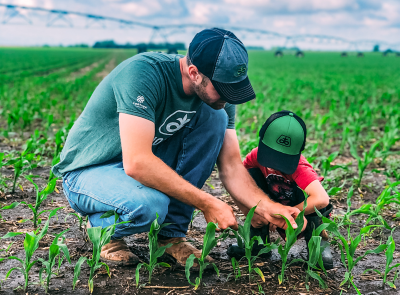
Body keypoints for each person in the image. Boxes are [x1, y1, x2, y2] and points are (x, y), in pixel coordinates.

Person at [52, 28, 306, 268]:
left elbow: (230, 165)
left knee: (214, 117)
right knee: (151, 207)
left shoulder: (217, 94)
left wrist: (267, 206)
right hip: (89, 170)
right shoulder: (144, 74)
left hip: (134, 168)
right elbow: (137, 161)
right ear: (194, 72)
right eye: (224, 90)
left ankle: (171, 236)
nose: (230, 97)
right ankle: (102, 229)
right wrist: (208, 203)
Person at [227, 110, 333, 270]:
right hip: (272, 201)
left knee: (316, 206)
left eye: (283, 159)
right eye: (270, 156)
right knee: (247, 175)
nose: (274, 164)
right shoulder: (254, 157)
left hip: (299, 209)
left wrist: (285, 213)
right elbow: (237, 182)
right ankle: (257, 242)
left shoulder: (299, 167)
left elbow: (322, 199)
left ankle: (318, 244)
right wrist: (252, 212)